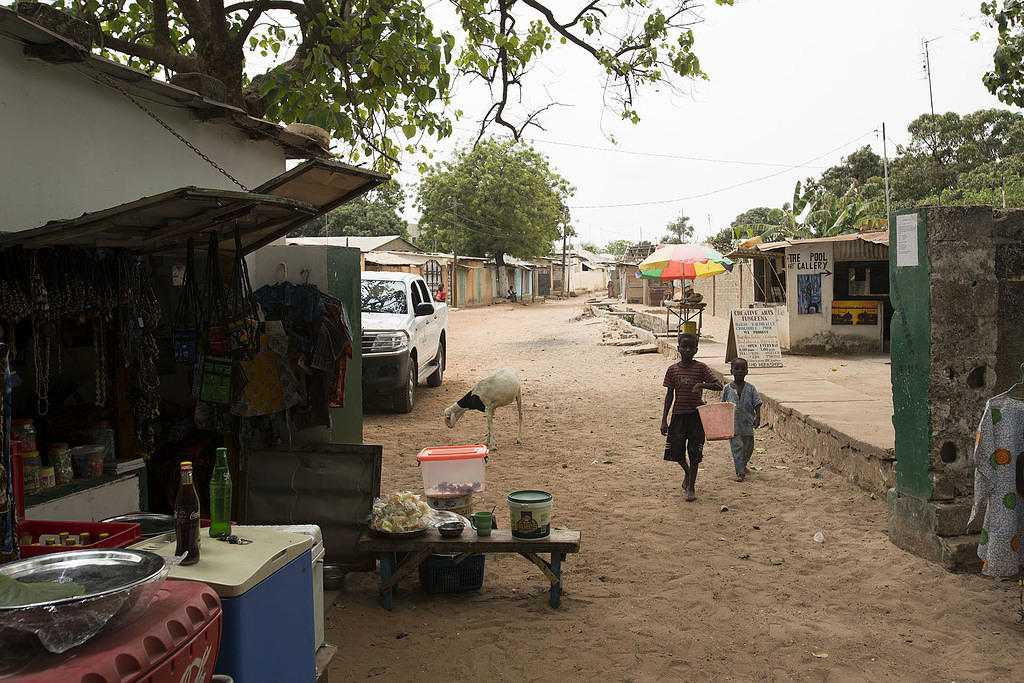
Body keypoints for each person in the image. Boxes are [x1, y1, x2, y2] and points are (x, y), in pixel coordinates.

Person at [660, 333, 722, 501]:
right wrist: (664, 419)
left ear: (696, 349)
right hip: (678, 416)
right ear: (678, 348)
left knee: (694, 452)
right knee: (676, 452)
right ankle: (687, 472)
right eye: (684, 347)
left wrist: (702, 384)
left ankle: (691, 487)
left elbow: (718, 385)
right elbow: (669, 395)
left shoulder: (701, 368)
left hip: (696, 417)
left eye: (691, 347)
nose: (687, 350)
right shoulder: (672, 370)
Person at [720, 357, 762, 482]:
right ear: (731, 371)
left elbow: (757, 403)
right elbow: (723, 405)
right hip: (733, 425)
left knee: (749, 446)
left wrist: (758, 417)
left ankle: (743, 464)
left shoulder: (751, 388)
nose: (739, 371)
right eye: (736, 368)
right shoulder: (727, 388)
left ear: (747, 371)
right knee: (737, 447)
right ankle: (740, 472)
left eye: (742, 369)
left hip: (747, 423)